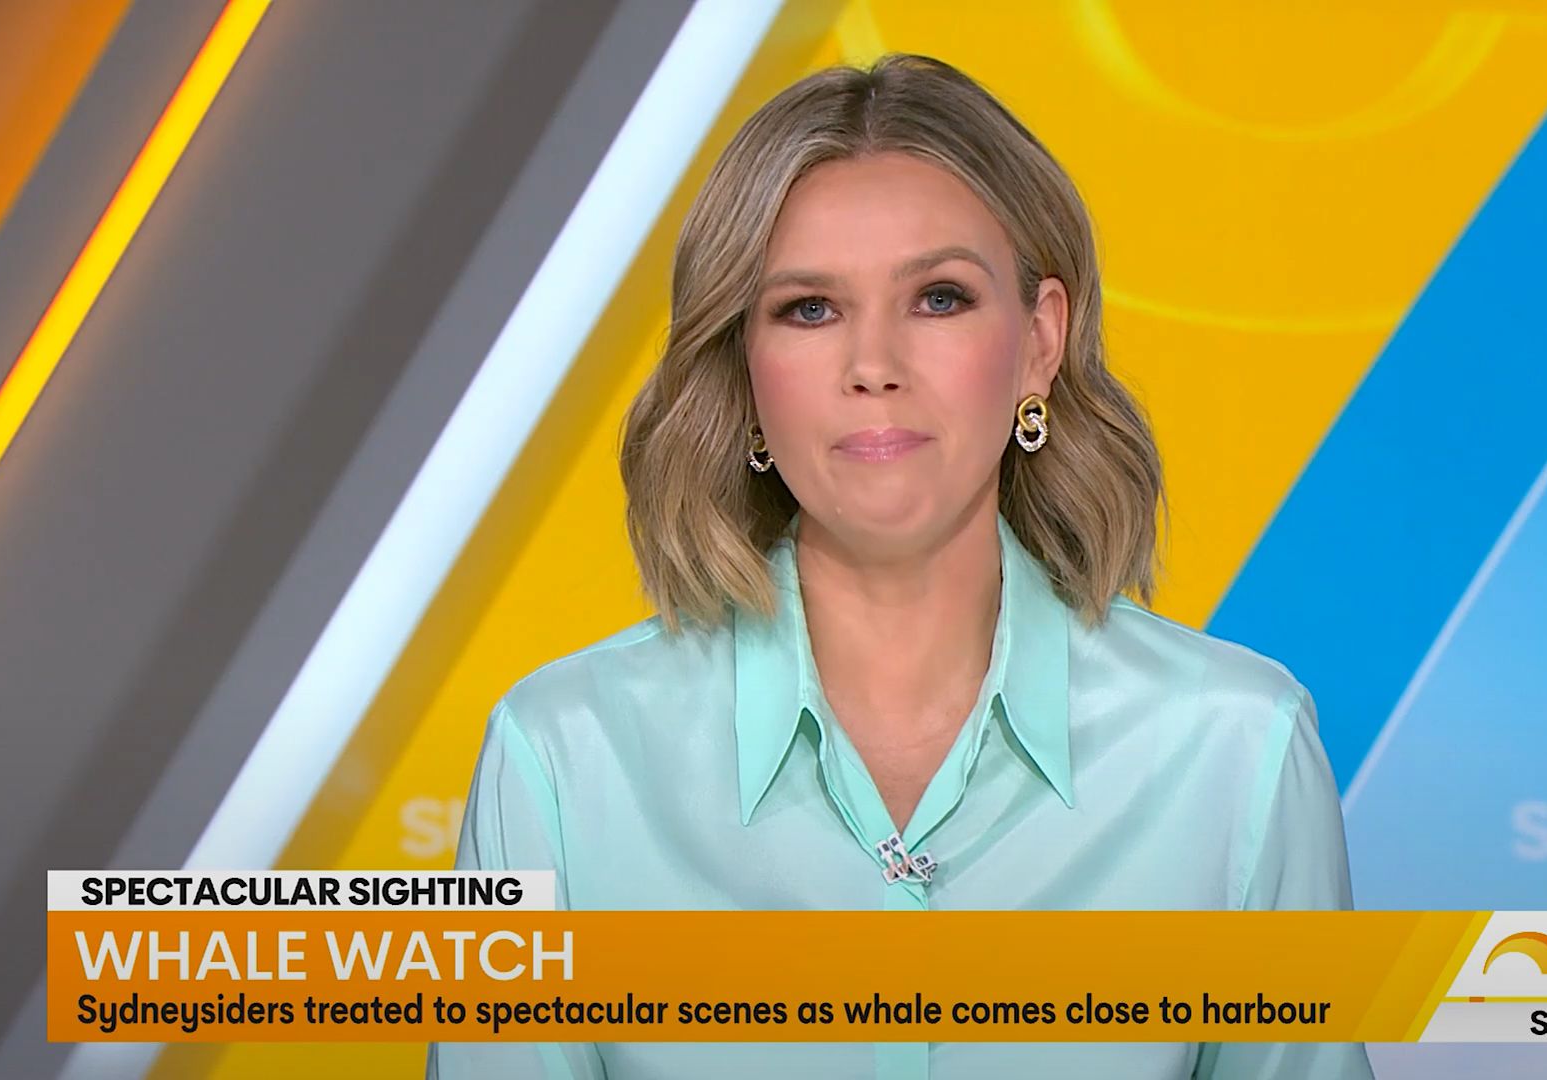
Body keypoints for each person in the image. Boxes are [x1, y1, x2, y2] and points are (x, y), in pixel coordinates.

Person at [428, 52, 1370, 1080]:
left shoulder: (1236, 750)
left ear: (1039, 342)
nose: (873, 366)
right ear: (744, 368)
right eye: (810, 309)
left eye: (938, 298)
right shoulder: (561, 761)